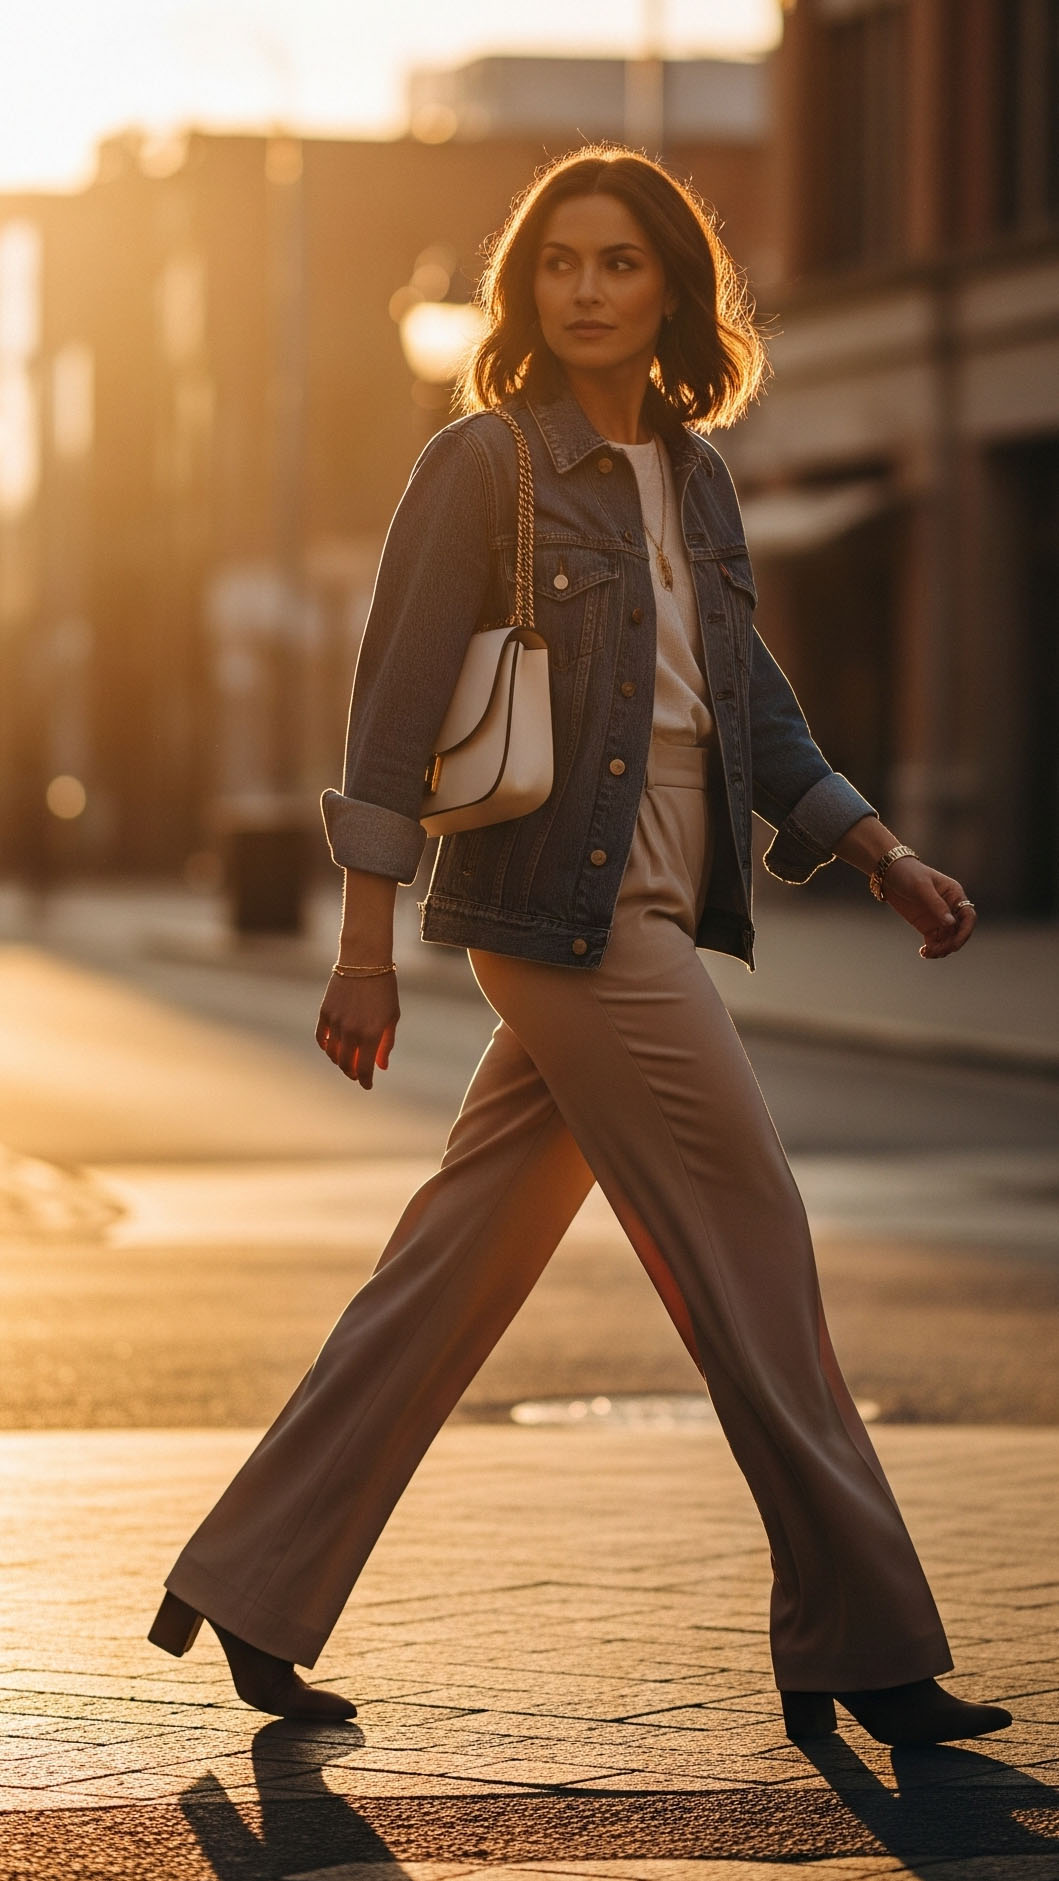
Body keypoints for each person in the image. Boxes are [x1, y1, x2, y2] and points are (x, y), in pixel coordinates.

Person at [149, 148, 1011, 1750]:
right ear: (524, 288)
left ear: (675, 288)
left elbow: (748, 707)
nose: (588, 290)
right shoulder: (486, 464)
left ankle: (252, 1582)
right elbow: (394, 708)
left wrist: (885, 856)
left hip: (665, 893)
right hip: (569, 912)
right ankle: (867, 1637)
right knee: (755, 1240)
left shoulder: (697, 478)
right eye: (560, 263)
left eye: (620, 263)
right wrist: (360, 944)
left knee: (452, 1267)